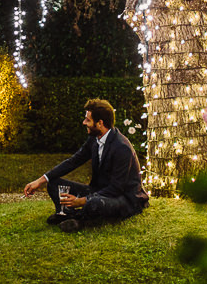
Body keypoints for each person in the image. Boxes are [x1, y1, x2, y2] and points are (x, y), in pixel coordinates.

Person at [23, 98, 149, 232]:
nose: (84, 123)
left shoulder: (122, 147)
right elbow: (73, 161)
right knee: (53, 184)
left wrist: (82, 201)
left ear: (100, 123)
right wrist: (40, 180)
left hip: (123, 198)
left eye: (88, 120)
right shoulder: (94, 139)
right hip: (99, 191)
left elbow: (116, 188)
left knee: (94, 203)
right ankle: (67, 214)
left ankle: (79, 220)